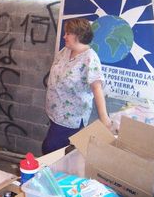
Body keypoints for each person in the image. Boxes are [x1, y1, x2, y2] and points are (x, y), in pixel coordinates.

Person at [42, 18, 112, 154]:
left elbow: (97, 88)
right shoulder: (65, 51)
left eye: (68, 33)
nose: (64, 36)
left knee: (49, 148)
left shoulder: (90, 58)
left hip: (70, 117)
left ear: (78, 35)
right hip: (55, 113)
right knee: (55, 151)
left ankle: (53, 174)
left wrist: (104, 119)